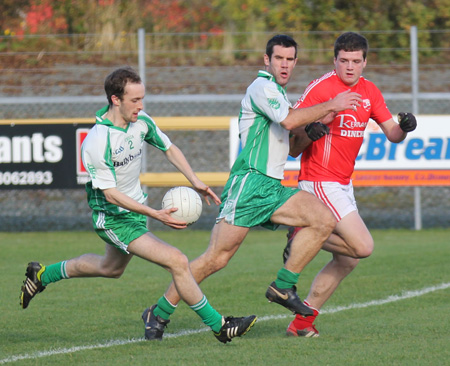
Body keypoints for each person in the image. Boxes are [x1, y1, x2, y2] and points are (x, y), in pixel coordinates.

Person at [141, 35, 363, 341]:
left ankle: (283, 285)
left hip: (271, 186)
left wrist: (312, 131)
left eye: (290, 59)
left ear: (295, 62)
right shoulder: (262, 87)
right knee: (215, 259)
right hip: (248, 185)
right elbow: (287, 122)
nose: (284, 64)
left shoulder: (279, 94)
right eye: (279, 59)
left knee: (323, 219)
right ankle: (159, 312)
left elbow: (293, 147)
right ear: (266, 60)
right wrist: (331, 104)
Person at [19, 66, 258, 344]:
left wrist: (194, 180)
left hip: (134, 212)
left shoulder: (140, 121)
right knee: (178, 261)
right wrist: (154, 214)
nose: (140, 105)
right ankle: (220, 325)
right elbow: (110, 194)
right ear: (115, 99)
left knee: (111, 269)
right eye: (134, 100)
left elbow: (168, 147)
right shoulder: (97, 141)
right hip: (113, 218)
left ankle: (42, 275)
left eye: (142, 99)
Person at [284, 32, 417, 338]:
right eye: (344, 60)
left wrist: (405, 128)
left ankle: (301, 324)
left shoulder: (370, 91)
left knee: (347, 260)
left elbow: (392, 134)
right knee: (363, 246)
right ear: (335, 61)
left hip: (343, 184)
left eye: (356, 61)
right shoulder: (321, 88)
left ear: (364, 62)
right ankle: (302, 232)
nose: (350, 67)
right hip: (318, 180)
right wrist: (312, 127)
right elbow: (293, 137)